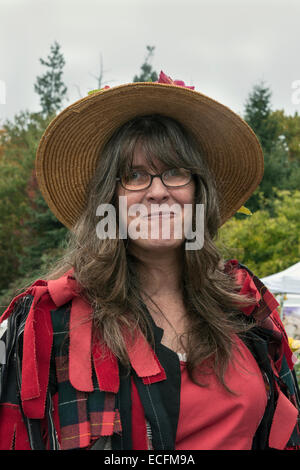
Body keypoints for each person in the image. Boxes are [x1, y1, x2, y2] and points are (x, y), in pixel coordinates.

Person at [0, 71, 299, 451]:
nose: (158, 192)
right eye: (135, 175)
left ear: (197, 193)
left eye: (174, 171)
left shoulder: (246, 302)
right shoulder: (47, 320)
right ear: (110, 200)